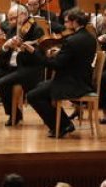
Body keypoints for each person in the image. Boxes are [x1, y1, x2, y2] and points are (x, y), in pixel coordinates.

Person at [26, 8, 97, 138]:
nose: (64, 25)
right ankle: (64, 123)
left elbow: (56, 65)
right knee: (41, 87)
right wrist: (59, 53)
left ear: (75, 22)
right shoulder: (90, 38)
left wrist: (35, 53)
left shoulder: (71, 40)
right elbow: (74, 58)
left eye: (66, 22)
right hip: (83, 80)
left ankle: (62, 125)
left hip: (72, 84)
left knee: (32, 96)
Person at [0, 4, 45, 125]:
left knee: (1, 83)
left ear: (24, 15)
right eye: (9, 18)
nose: (10, 22)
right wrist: (6, 46)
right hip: (10, 68)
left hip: (28, 69)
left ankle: (13, 114)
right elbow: (1, 55)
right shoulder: (12, 29)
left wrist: (22, 47)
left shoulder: (36, 30)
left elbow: (38, 58)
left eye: (13, 18)